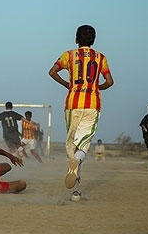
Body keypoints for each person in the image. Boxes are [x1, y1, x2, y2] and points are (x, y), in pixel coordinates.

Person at [48, 25, 114, 201]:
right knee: (83, 145)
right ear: (93, 40)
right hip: (92, 104)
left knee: (73, 146)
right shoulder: (101, 58)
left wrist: (67, 84)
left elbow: (52, 72)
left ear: (76, 39)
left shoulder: (68, 55)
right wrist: (96, 88)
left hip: (72, 104)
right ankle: (76, 187)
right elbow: (110, 82)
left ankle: (75, 191)